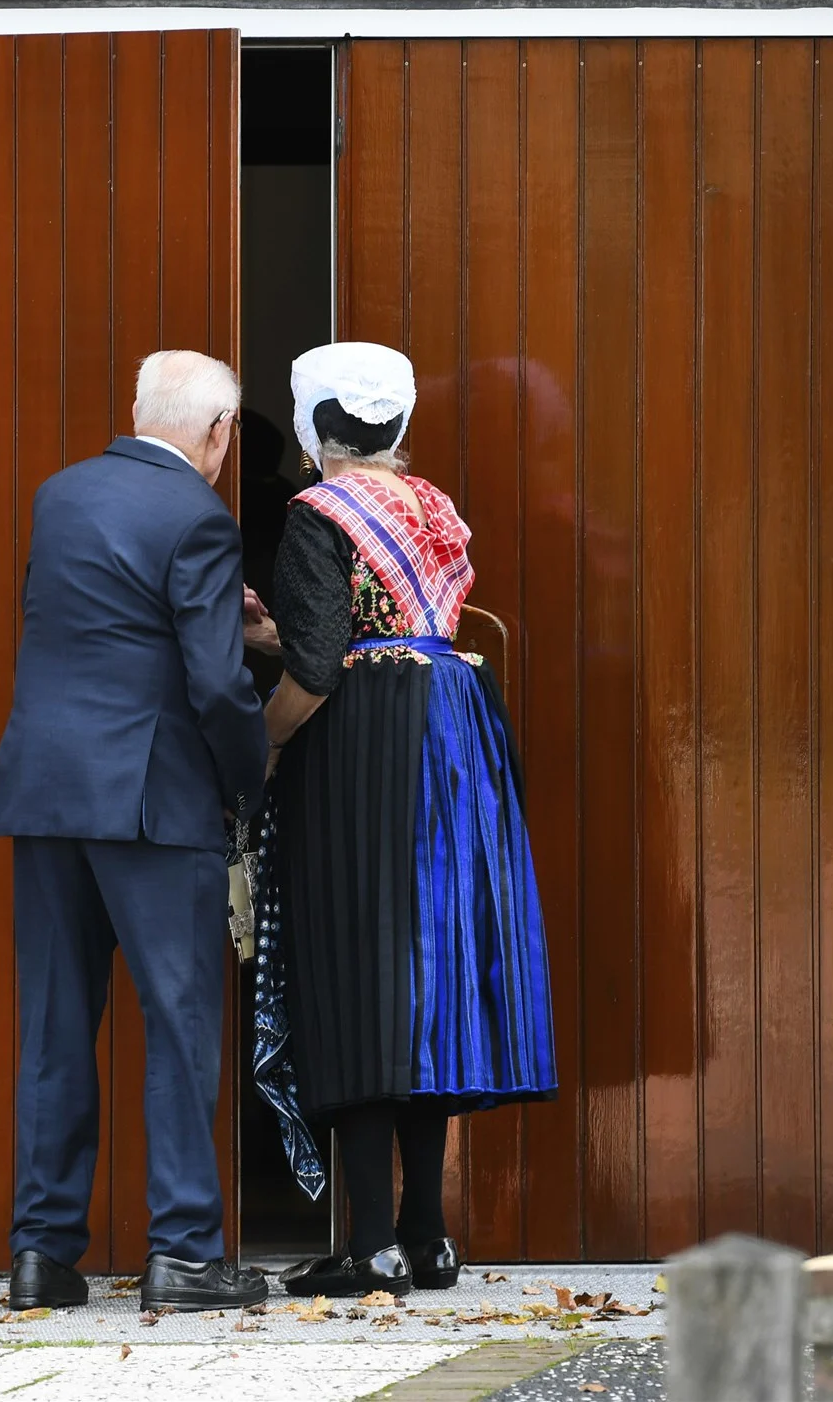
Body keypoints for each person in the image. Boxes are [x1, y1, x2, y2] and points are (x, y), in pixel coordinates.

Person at [252, 342, 557, 1298]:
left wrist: (261, 744)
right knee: (431, 974)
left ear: (315, 425)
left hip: (365, 744)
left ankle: (370, 1244)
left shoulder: (318, 512)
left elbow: (318, 669)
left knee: (356, 968)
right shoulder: (432, 505)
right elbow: (392, 626)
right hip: (453, 729)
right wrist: (290, 633)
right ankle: (429, 1236)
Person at [0, 350, 271, 1314]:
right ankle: (183, 1253)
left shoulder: (60, 495)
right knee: (178, 1025)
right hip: (151, 799)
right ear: (219, 432)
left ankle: (42, 1256)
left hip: (44, 789)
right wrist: (250, 781)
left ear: (140, 410)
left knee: (55, 1024)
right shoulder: (199, 516)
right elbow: (215, 684)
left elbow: (83, 623)